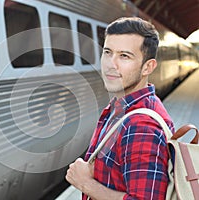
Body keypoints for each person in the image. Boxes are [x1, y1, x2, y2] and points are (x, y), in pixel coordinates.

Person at [65, 17, 175, 200]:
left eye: (124, 56)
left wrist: (86, 184)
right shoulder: (121, 108)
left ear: (148, 67)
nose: (111, 64)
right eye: (108, 52)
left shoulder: (141, 126)